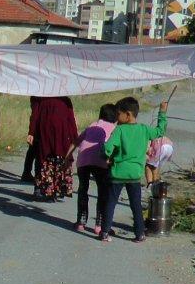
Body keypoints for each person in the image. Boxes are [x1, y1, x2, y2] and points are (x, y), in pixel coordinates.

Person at [101, 96, 168, 243]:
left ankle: (105, 231)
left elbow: (107, 148)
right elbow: (159, 131)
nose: (117, 117)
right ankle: (139, 233)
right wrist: (162, 113)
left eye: (119, 114)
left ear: (128, 114)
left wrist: (108, 157)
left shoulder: (119, 130)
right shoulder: (144, 130)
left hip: (118, 173)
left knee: (110, 203)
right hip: (135, 175)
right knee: (136, 205)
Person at [68, 103, 118, 236]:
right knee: (102, 192)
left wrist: (66, 157)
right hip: (101, 161)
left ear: (100, 115)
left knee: (83, 189)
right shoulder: (114, 128)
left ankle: (81, 221)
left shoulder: (92, 125)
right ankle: (99, 225)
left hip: (83, 160)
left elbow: (77, 141)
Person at [28, 96, 78, 201]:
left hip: (45, 137)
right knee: (59, 162)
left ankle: (46, 190)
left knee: (45, 162)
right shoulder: (65, 100)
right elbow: (71, 120)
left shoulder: (41, 99)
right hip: (61, 137)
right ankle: (56, 190)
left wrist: (31, 132)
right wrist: (75, 138)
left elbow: (35, 116)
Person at [21, 97, 42, 182]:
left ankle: (27, 172)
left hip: (37, 125)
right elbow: (35, 114)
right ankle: (32, 174)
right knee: (35, 151)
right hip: (39, 126)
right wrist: (31, 132)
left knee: (32, 151)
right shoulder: (38, 97)